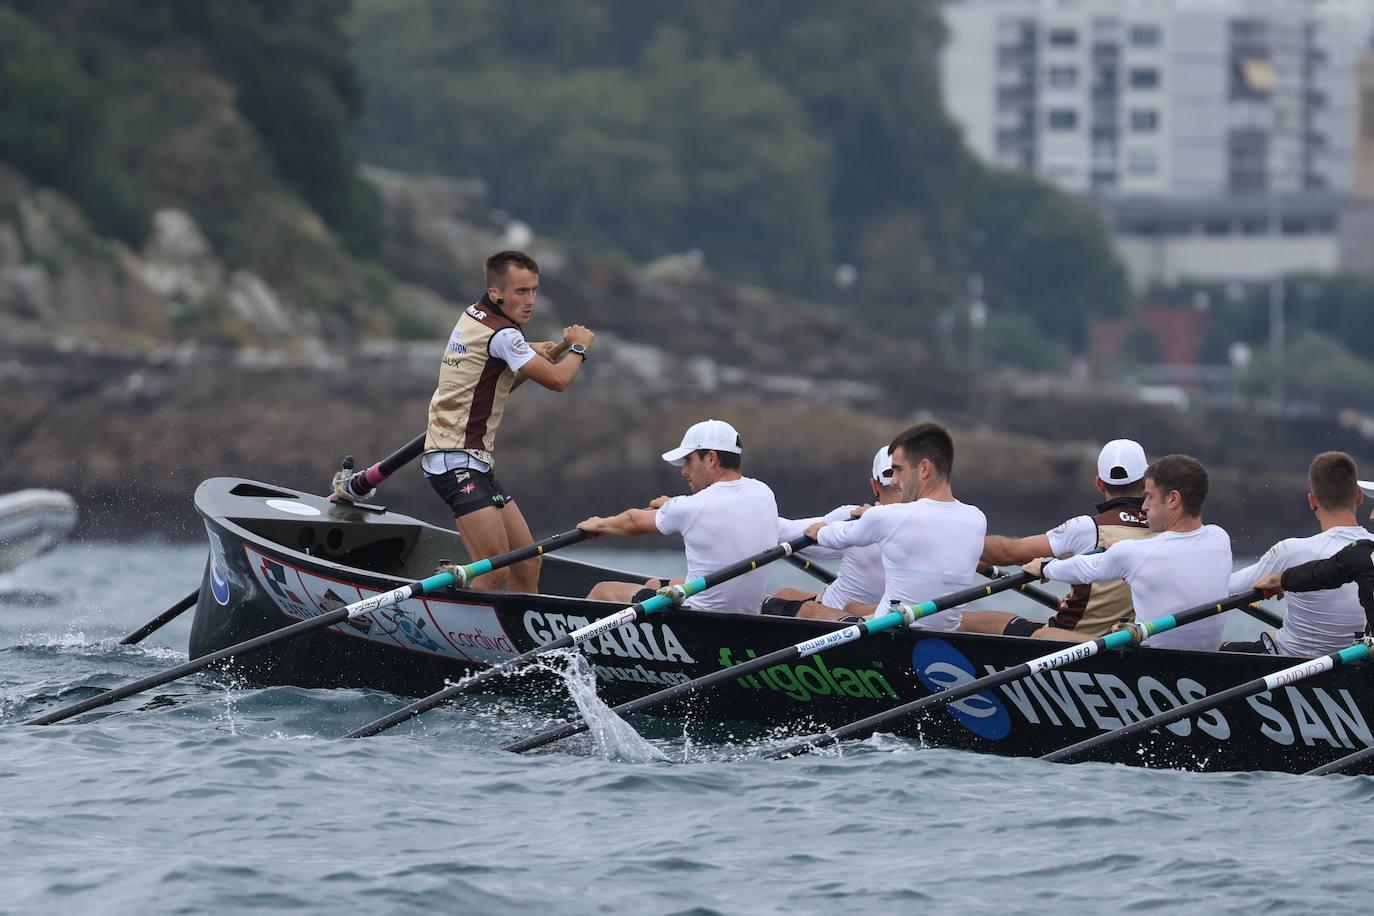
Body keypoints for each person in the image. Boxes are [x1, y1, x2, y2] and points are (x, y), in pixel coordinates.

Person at [422, 250, 596, 592]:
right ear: (496, 293)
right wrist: (578, 348)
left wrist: (529, 350)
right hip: (454, 461)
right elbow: (559, 381)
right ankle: (467, 640)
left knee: (527, 561)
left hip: (474, 461)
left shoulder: (475, 315)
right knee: (493, 572)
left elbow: (493, 350)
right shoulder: (505, 336)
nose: (530, 300)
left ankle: (520, 641)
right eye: (521, 292)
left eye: (533, 290)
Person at [1022, 454, 1232, 651]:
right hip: (1204, 657)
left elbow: (1083, 569)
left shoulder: (1134, 553)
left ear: (1173, 499)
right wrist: (1123, 545)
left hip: (1153, 664)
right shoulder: (1219, 537)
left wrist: (1045, 567)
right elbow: (1169, 552)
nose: (1144, 505)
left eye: (1149, 496)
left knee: (1043, 635)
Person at [578, 419, 778, 614]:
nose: (683, 471)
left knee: (603, 590)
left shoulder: (690, 507)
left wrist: (599, 524)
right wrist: (671, 507)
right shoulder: (763, 492)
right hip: (747, 613)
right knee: (655, 584)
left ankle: (576, 648)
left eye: (688, 460)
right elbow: (717, 511)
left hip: (702, 618)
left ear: (711, 458)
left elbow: (632, 522)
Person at [960, 439, 1153, 639]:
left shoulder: (1087, 527)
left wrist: (954, 545)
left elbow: (1007, 552)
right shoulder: (1167, 531)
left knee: (964, 622)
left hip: (1071, 642)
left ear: (1099, 484)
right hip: (1131, 639)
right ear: (1145, 482)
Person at [801, 422, 987, 630]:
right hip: (943, 636)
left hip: (887, 636)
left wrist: (820, 531)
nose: (895, 481)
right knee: (853, 606)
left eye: (898, 470)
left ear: (924, 469)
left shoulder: (889, 516)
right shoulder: (976, 519)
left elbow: (836, 537)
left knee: (807, 610)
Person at [1222, 452, 1372, 655]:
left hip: (1290, 664)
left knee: (1217, 647)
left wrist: (1279, 581)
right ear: (1359, 496)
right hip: (1358, 667)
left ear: (1312, 500)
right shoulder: (1368, 549)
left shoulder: (1290, 551)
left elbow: (1225, 588)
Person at [765, 446, 898, 620]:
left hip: (846, 617)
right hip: (893, 614)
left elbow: (785, 532)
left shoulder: (853, 518)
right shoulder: (930, 525)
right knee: (786, 593)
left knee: (777, 601)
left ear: (874, 486)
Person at [1254, 479, 1374, 639]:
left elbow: (1322, 573)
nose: (1372, 516)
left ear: (1312, 500)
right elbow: (1322, 572)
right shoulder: (1363, 553)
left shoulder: (1363, 554)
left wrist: (1278, 581)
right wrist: (1281, 580)